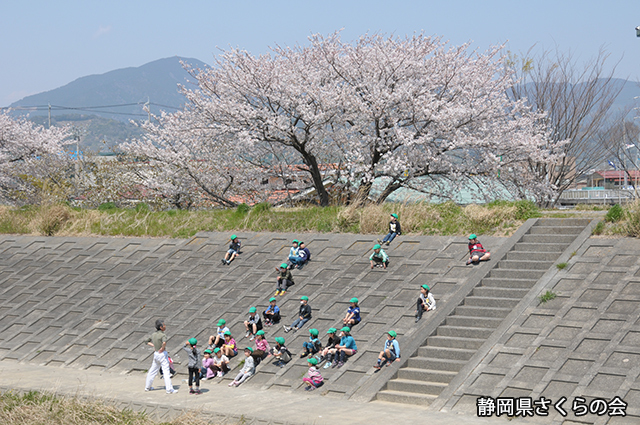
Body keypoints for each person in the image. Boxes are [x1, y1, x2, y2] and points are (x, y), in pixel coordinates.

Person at [144, 319, 177, 394]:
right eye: (164, 325)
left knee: (152, 370)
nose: (165, 326)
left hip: (156, 354)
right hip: (162, 354)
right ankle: (169, 389)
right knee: (166, 371)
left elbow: (146, 341)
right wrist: (162, 348)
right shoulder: (163, 335)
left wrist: (154, 345)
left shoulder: (153, 334)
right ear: (161, 327)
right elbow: (164, 342)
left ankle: (147, 387)